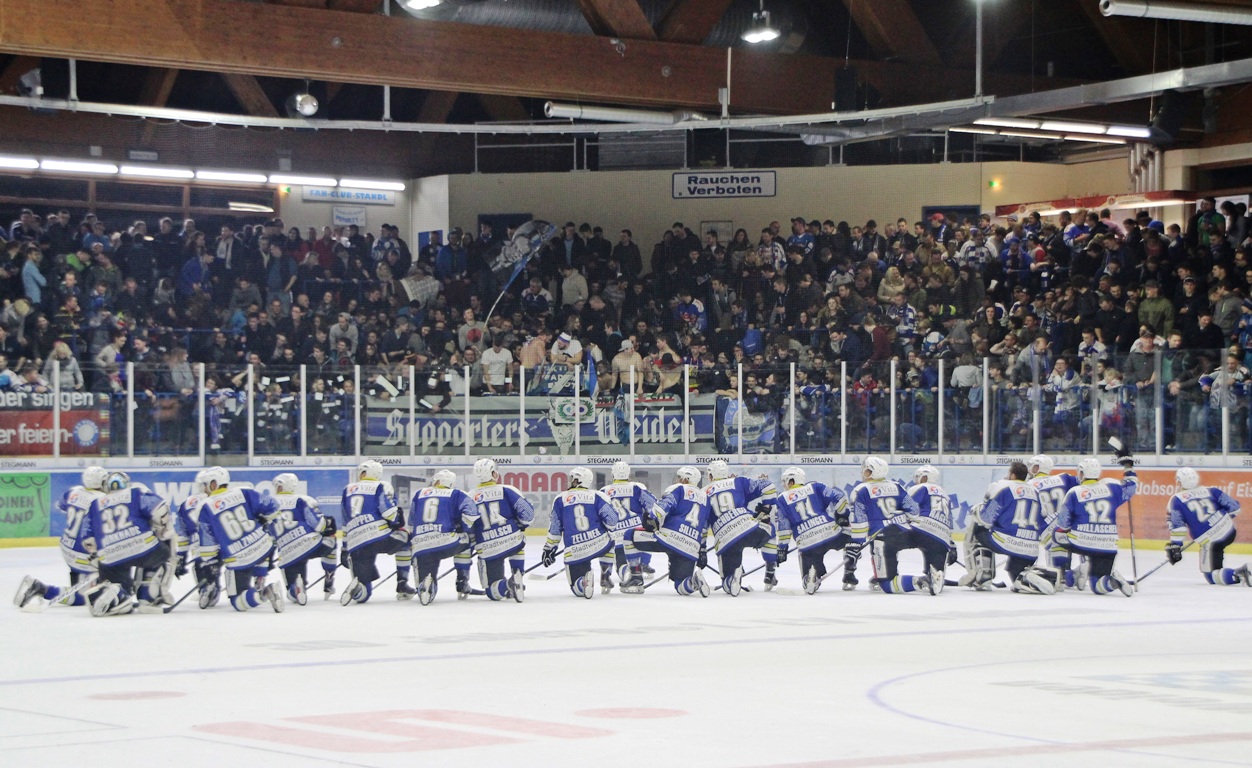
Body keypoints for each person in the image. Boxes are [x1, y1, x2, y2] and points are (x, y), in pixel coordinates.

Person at [82, 472, 178, 616]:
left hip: (110, 558)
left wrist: (97, 555)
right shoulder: (135, 493)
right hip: (142, 549)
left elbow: (88, 539)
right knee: (164, 550)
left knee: (122, 589)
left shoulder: (95, 504)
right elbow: (160, 509)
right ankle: (148, 596)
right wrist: (163, 530)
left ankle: (118, 595)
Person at [13, 467, 108, 610]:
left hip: (67, 548)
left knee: (86, 585)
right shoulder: (102, 501)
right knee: (85, 597)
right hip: (84, 553)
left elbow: (62, 505)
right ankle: (41, 588)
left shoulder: (73, 492)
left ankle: (77, 581)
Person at [196, 467, 284, 612]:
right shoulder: (244, 492)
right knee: (262, 548)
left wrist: (211, 563)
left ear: (213, 484)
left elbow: (208, 546)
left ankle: (265, 592)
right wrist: (263, 519)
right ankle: (260, 577)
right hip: (263, 547)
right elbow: (273, 506)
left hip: (239, 558)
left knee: (238, 602)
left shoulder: (206, 508)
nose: (205, 490)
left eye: (206, 485)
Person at [963, 461, 1058, 595]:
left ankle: (984, 576)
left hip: (1005, 541)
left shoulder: (1004, 488)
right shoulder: (1035, 491)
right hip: (1030, 548)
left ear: (1012, 475)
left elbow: (986, 518)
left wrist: (977, 511)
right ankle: (1030, 578)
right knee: (1017, 578)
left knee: (978, 531)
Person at [618, 466, 713, 597]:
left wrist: (652, 518)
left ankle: (635, 578)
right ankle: (693, 582)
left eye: (680, 477)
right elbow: (704, 527)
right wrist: (702, 549)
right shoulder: (706, 498)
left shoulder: (679, 489)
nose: (678, 480)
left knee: (629, 535)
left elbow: (663, 506)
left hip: (668, 538)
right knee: (681, 586)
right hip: (690, 547)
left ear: (686, 479)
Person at [1054, 455, 1139, 596]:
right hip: (1108, 545)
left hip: (1082, 542)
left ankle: (1062, 575)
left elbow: (1063, 524)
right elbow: (1132, 485)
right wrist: (1128, 466)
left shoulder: (1074, 492)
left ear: (1081, 473)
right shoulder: (1112, 487)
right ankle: (1111, 582)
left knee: (1056, 535)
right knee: (1097, 586)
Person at [848, 456, 930, 595]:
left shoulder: (861, 490)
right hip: (905, 533)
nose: (863, 473)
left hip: (881, 537)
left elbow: (859, 520)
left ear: (870, 472)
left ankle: (920, 581)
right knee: (890, 555)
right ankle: (882, 574)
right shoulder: (896, 486)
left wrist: (857, 542)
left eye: (866, 470)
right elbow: (914, 511)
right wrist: (898, 519)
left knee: (886, 584)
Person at [773, 466, 857, 594]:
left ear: (791, 481)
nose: (784, 485)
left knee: (809, 582)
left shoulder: (781, 499)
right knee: (853, 538)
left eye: (785, 482)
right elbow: (839, 497)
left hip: (808, 543)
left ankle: (811, 577)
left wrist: (782, 548)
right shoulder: (815, 487)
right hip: (831, 533)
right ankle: (849, 570)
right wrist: (842, 516)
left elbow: (784, 527)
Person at [701, 459, 778, 595]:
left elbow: (702, 526)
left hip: (726, 538)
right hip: (749, 527)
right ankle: (770, 570)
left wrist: (701, 549)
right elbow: (768, 487)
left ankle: (732, 578)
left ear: (711, 476)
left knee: (726, 583)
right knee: (769, 528)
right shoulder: (739, 482)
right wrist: (768, 509)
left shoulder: (703, 493)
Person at [339, 460, 410, 605]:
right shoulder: (381, 486)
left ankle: (359, 589)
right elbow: (389, 512)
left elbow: (345, 522)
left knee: (365, 594)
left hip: (356, 544)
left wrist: (345, 548)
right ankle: (402, 582)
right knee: (406, 541)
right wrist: (397, 520)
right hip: (380, 538)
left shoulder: (347, 489)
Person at [542, 468, 618, 599]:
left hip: (575, 550)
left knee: (577, 589)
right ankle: (606, 572)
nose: (569, 481)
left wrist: (550, 548)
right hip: (599, 544)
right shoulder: (598, 496)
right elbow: (612, 521)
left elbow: (555, 528)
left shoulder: (560, 499)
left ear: (578, 480)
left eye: (572, 478)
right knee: (610, 541)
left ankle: (583, 582)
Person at [1165, 467, 1248, 586]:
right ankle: (1226, 571)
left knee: (1211, 575)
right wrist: (1220, 518)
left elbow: (1178, 528)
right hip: (1230, 531)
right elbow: (1235, 508)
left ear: (1179, 482)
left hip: (1211, 540)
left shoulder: (1176, 500)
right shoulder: (1211, 490)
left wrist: (1176, 546)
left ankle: (1240, 573)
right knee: (1217, 564)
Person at [468, 458, 534, 602]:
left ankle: (509, 584)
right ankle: (518, 574)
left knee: (493, 592)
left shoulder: (469, 496)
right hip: (513, 542)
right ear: (494, 474)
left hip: (488, 549)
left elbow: (467, 525)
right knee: (518, 541)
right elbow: (528, 515)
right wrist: (521, 525)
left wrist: (473, 542)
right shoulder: (507, 489)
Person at [409, 470, 478, 605]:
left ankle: (427, 584)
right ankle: (462, 580)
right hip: (445, 542)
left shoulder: (419, 494)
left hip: (420, 544)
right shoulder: (457, 493)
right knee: (466, 541)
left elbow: (411, 521)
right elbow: (472, 514)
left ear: (436, 481)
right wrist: (463, 527)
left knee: (426, 575)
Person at [268, 473, 337, 606]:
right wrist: (328, 524)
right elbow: (319, 525)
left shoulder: (269, 504)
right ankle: (329, 574)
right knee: (331, 540)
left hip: (288, 552)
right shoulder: (302, 500)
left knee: (292, 594)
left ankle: (297, 588)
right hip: (311, 544)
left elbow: (267, 535)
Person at [597, 460, 658, 593]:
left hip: (618, 537)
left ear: (613, 475)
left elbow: (599, 516)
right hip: (636, 533)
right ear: (628, 474)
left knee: (621, 564)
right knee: (649, 534)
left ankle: (629, 572)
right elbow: (653, 506)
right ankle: (644, 564)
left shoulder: (604, 491)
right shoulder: (637, 487)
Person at [1026, 454, 1081, 588]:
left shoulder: (1028, 485)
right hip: (1068, 526)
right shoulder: (1064, 478)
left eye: (1032, 467)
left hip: (1047, 530)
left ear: (1038, 468)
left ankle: (1064, 576)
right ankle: (1082, 570)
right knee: (1070, 544)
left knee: (1056, 577)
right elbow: (1084, 484)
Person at [173, 470, 222, 609]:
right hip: (223, 545)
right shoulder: (220, 499)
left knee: (201, 566)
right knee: (233, 567)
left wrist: (181, 556)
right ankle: (234, 587)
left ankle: (206, 589)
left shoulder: (186, 503)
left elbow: (183, 534)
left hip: (199, 548)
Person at [906, 465, 956, 591]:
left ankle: (886, 574)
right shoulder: (945, 495)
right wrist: (951, 544)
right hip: (941, 537)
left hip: (920, 530)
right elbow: (948, 522)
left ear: (925, 478)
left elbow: (907, 509)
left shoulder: (919, 488)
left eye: (919, 477)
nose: (916, 480)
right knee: (937, 575)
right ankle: (936, 576)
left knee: (889, 543)